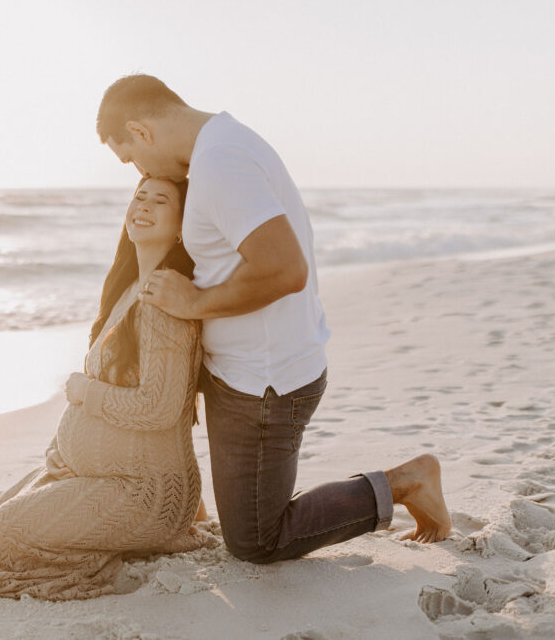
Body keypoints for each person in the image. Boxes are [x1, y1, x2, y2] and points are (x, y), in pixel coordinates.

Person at [97, 74, 451, 564]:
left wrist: (195, 304)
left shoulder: (220, 163)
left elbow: (285, 269)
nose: (138, 171)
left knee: (257, 540)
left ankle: (405, 482)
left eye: (130, 157)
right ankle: (191, 506)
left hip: (265, 384)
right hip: (245, 366)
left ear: (141, 131)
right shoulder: (223, 144)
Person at [0, 177, 211, 600]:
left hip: (146, 495)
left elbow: (159, 407)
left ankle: (133, 542)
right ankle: (117, 534)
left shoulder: (163, 298)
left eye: (161, 201)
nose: (144, 205)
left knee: (2, 532)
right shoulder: (129, 290)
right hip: (110, 477)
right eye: (139, 195)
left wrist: (86, 393)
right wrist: (68, 454)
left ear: (180, 227)